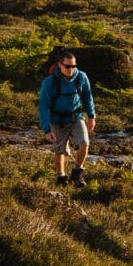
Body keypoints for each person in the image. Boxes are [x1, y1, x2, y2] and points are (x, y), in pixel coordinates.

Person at [38, 51, 96, 187]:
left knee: (84, 143)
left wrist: (92, 116)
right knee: (60, 151)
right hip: (57, 121)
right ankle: (61, 177)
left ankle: (77, 173)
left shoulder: (81, 77)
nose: (71, 69)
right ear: (60, 65)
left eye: (74, 66)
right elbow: (43, 106)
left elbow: (88, 97)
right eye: (68, 66)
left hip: (76, 117)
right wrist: (47, 129)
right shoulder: (49, 83)